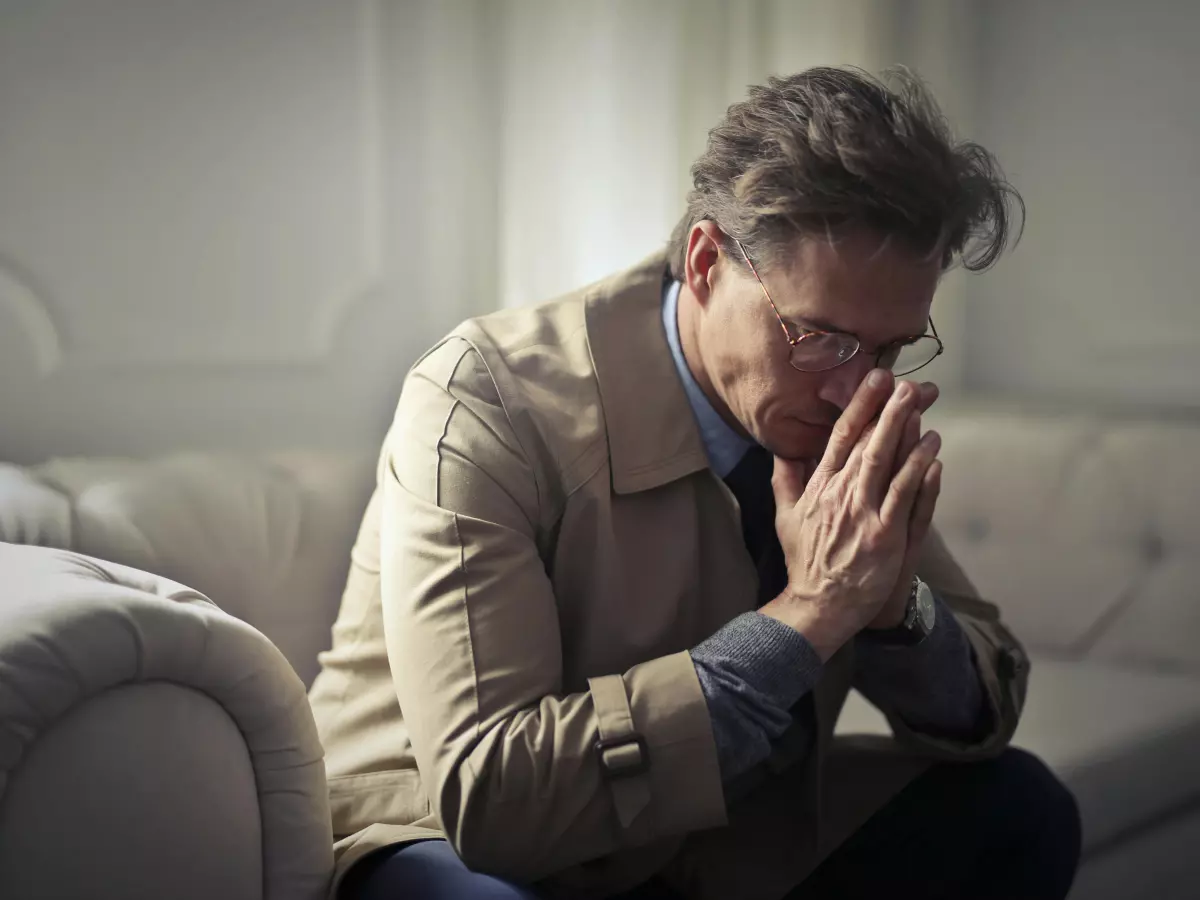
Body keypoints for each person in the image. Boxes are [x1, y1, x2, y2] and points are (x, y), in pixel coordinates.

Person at [309, 66, 1081, 900]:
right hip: (448, 845)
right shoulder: (483, 399)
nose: (853, 387)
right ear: (709, 260)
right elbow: (496, 798)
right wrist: (810, 617)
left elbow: (988, 707)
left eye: (890, 349)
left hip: (707, 836)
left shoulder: (831, 412)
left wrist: (895, 605)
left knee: (1022, 808)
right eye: (819, 338)